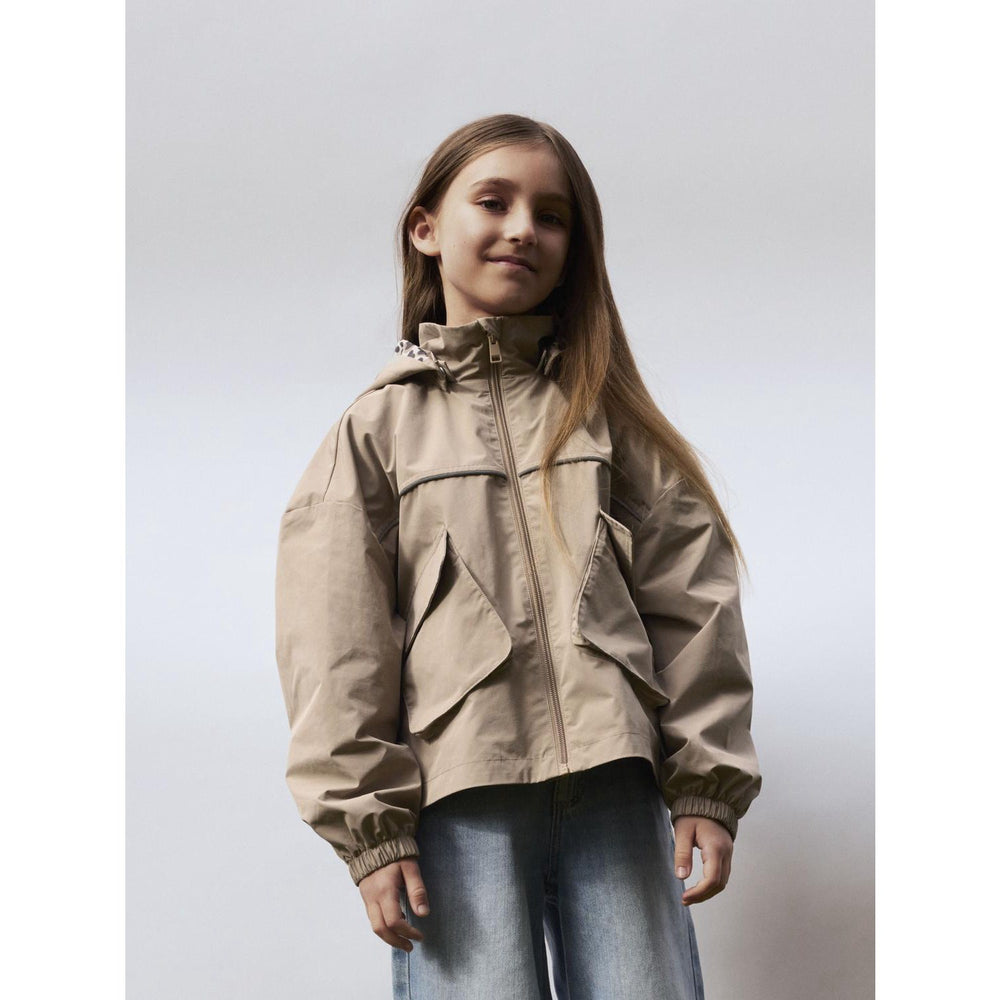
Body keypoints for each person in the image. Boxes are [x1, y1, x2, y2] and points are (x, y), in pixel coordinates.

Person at [274, 113, 763, 999]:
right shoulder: (375, 433)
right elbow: (334, 643)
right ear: (426, 229)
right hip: (459, 805)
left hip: (616, 790)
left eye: (552, 214)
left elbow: (694, 602)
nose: (523, 229)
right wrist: (370, 831)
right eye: (493, 202)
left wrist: (706, 785)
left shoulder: (608, 420)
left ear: (575, 248)